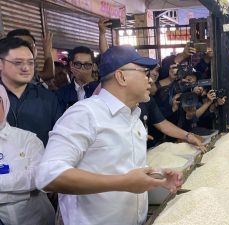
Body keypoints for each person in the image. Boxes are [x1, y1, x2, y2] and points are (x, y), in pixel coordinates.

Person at [35, 45, 183, 225]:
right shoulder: (85, 114)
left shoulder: (133, 116)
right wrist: (123, 183)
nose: (150, 79)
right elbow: (48, 176)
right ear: (121, 76)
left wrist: (158, 177)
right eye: (145, 72)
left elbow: (123, 168)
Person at [0, 84, 55, 225]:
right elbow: (26, 180)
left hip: (37, 220)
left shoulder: (28, 139)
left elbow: (38, 177)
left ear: (5, 103)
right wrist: (21, 190)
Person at [0, 37, 62, 145]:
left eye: (30, 62)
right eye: (18, 62)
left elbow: (60, 139)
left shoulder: (48, 99)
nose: (26, 68)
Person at [56, 46, 98, 112]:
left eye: (87, 65)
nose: (82, 68)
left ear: (93, 66)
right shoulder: (61, 94)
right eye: (78, 64)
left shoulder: (101, 90)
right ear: (71, 65)